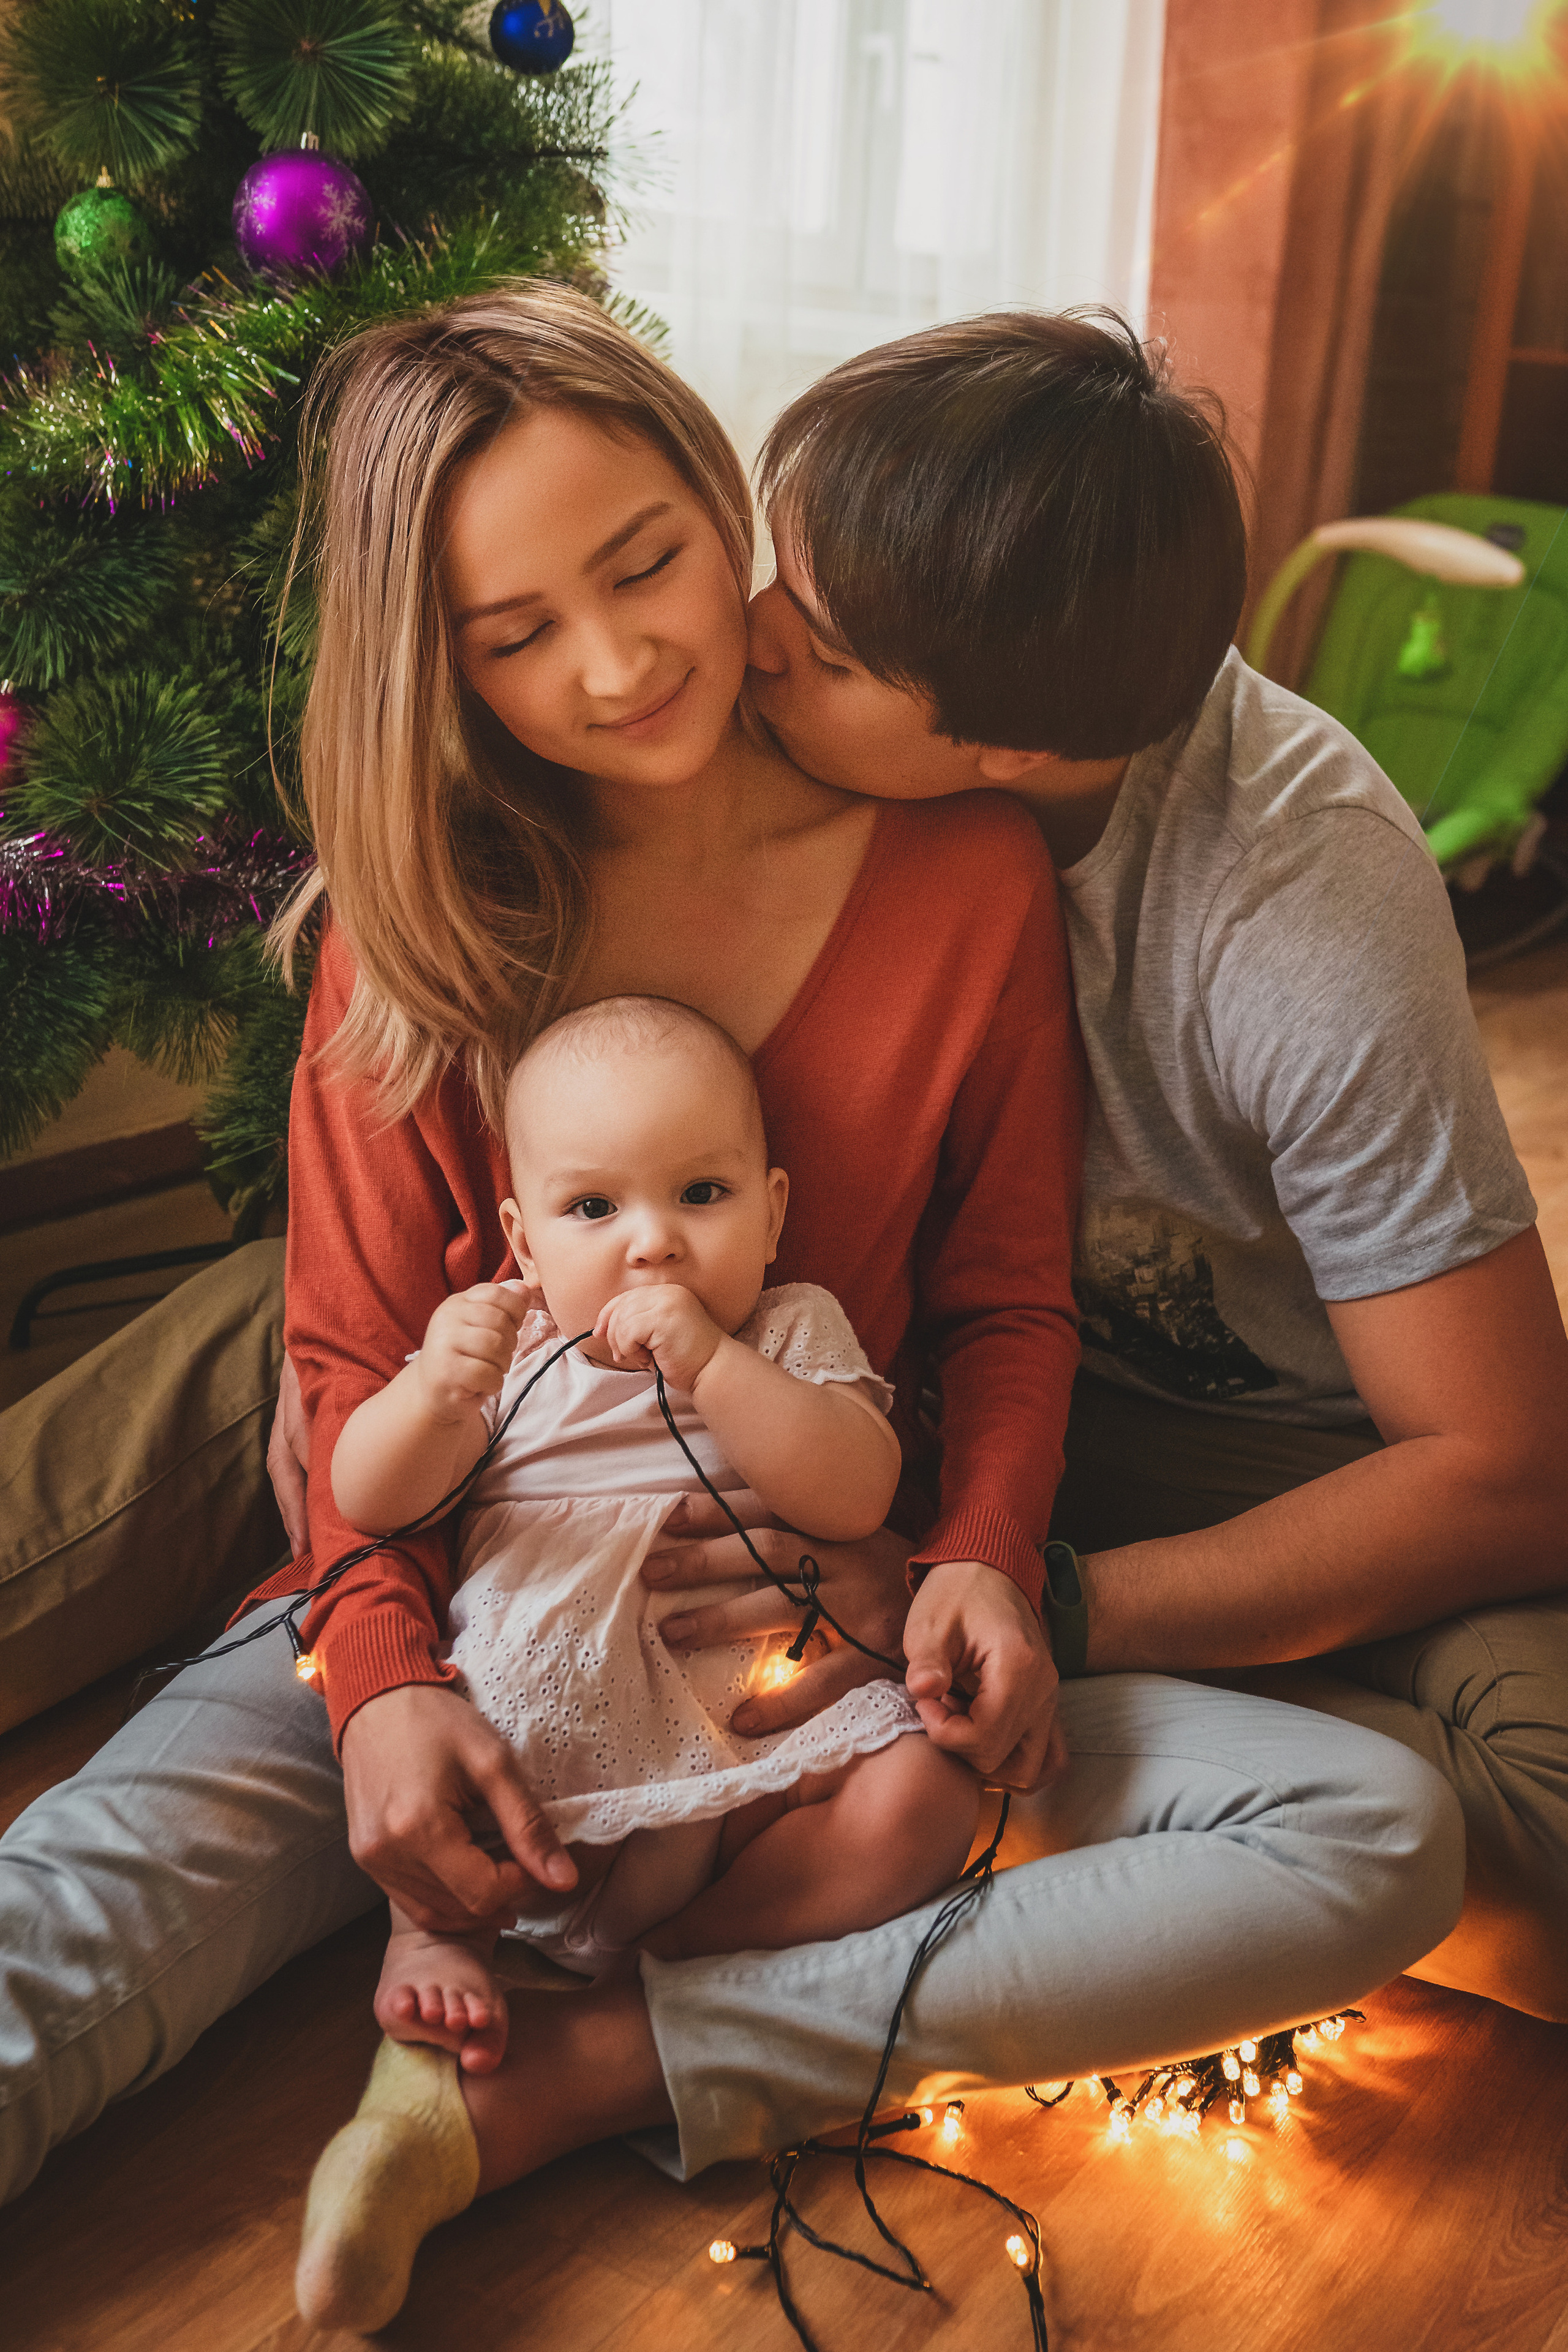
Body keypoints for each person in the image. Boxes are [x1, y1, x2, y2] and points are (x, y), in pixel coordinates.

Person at [0, 289, 1462, 2220]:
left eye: (648, 564)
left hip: (806, 1679)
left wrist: (984, 1567)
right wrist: (379, 1692)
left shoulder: (961, 875)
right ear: (435, 665)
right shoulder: (430, 908)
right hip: (455, 1632)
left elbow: (1008, 1297)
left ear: (727, 501)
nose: (615, 666)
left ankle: (585, 2067)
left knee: (1373, 1833)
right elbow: (350, 1365)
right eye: (514, 636)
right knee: (62, 1936)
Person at [717, 307, 1568, 2022]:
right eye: (773, 573)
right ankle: (1113, 1810)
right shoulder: (765, 742)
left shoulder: (1295, 897)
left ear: (1010, 747)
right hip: (907, 1386)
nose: (748, 642)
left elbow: (1506, 1466)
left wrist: (1055, 1602)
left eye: (819, 637)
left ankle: (1003, 1742)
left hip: (1243, 1449)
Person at [296, 995, 978, 2331]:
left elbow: (855, 1490)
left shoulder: (786, 1329)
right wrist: (431, 1395)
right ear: (520, 1239)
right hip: (547, 1716)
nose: (653, 1240)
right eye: (592, 1210)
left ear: (773, 1214)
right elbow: (368, 1497)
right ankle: (435, 1933)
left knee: (924, 1800)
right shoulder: (504, 1342)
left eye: (702, 1193)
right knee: (451, 1792)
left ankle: (686, 1955)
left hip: (750, 1724)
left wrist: (717, 1366)